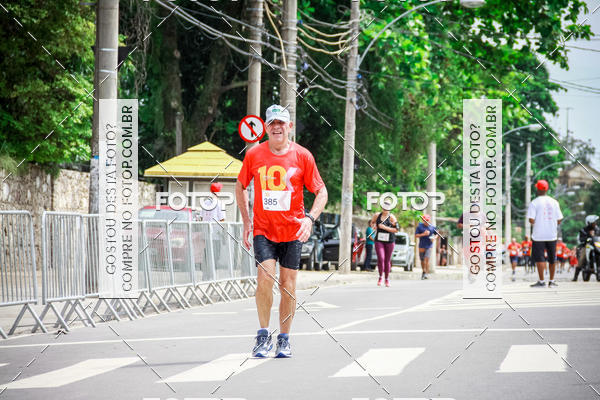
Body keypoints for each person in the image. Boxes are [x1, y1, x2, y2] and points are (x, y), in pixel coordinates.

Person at [236, 104, 328, 358]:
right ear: (266, 128)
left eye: (281, 123)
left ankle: (284, 338)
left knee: (288, 285)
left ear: (290, 127)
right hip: (263, 229)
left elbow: (321, 191)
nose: (277, 127)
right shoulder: (254, 154)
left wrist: (310, 218)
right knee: (265, 277)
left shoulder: (303, 156)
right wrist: (246, 221)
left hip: (292, 231)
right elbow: (240, 185)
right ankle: (263, 334)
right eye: (272, 123)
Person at [527, 180, 563, 288]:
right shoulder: (554, 202)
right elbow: (559, 219)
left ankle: (541, 281)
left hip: (538, 236)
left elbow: (531, 220)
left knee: (540, 258)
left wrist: (539, 221)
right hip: (551, 235)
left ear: (537, 189)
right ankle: (551, 281)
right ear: (546, 189)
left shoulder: (534, 202)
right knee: (552, 258)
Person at [370, 205, 399, 287]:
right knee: (381, 258)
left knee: (387, 260)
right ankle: (380, 277)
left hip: (390, 241)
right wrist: (373, 226)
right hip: (379, 240)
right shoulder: (377, 215)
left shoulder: (392, 217)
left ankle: (386, 279)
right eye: (384, 207)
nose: (385, 209)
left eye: (387, 208)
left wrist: (384, 227)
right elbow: (372, 222)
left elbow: (396, 230)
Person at [572, 214, 599, 281]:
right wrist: (588, 237)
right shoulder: (583, 230)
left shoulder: (597, 229)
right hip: (587, 246)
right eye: (594, 222)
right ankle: (575, 277)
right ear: (589, 223)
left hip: (597, 246)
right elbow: (580, 239)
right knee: (582, 258)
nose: (595, 223)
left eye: (595, 222)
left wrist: (595, 235)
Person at [415, 214, 436, 280]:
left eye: (427, 220)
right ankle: (423, 271)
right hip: (421, 245)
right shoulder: (419, 227)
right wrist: (423, 234)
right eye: (425, 220)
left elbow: (436, 234)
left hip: (429, 245)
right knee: (422, 260)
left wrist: (434, 238)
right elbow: (416, 235)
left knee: (426, 259)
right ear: (423, 220)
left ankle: (426, 273)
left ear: (429, 220)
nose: (426, 222)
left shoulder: (432, 227)